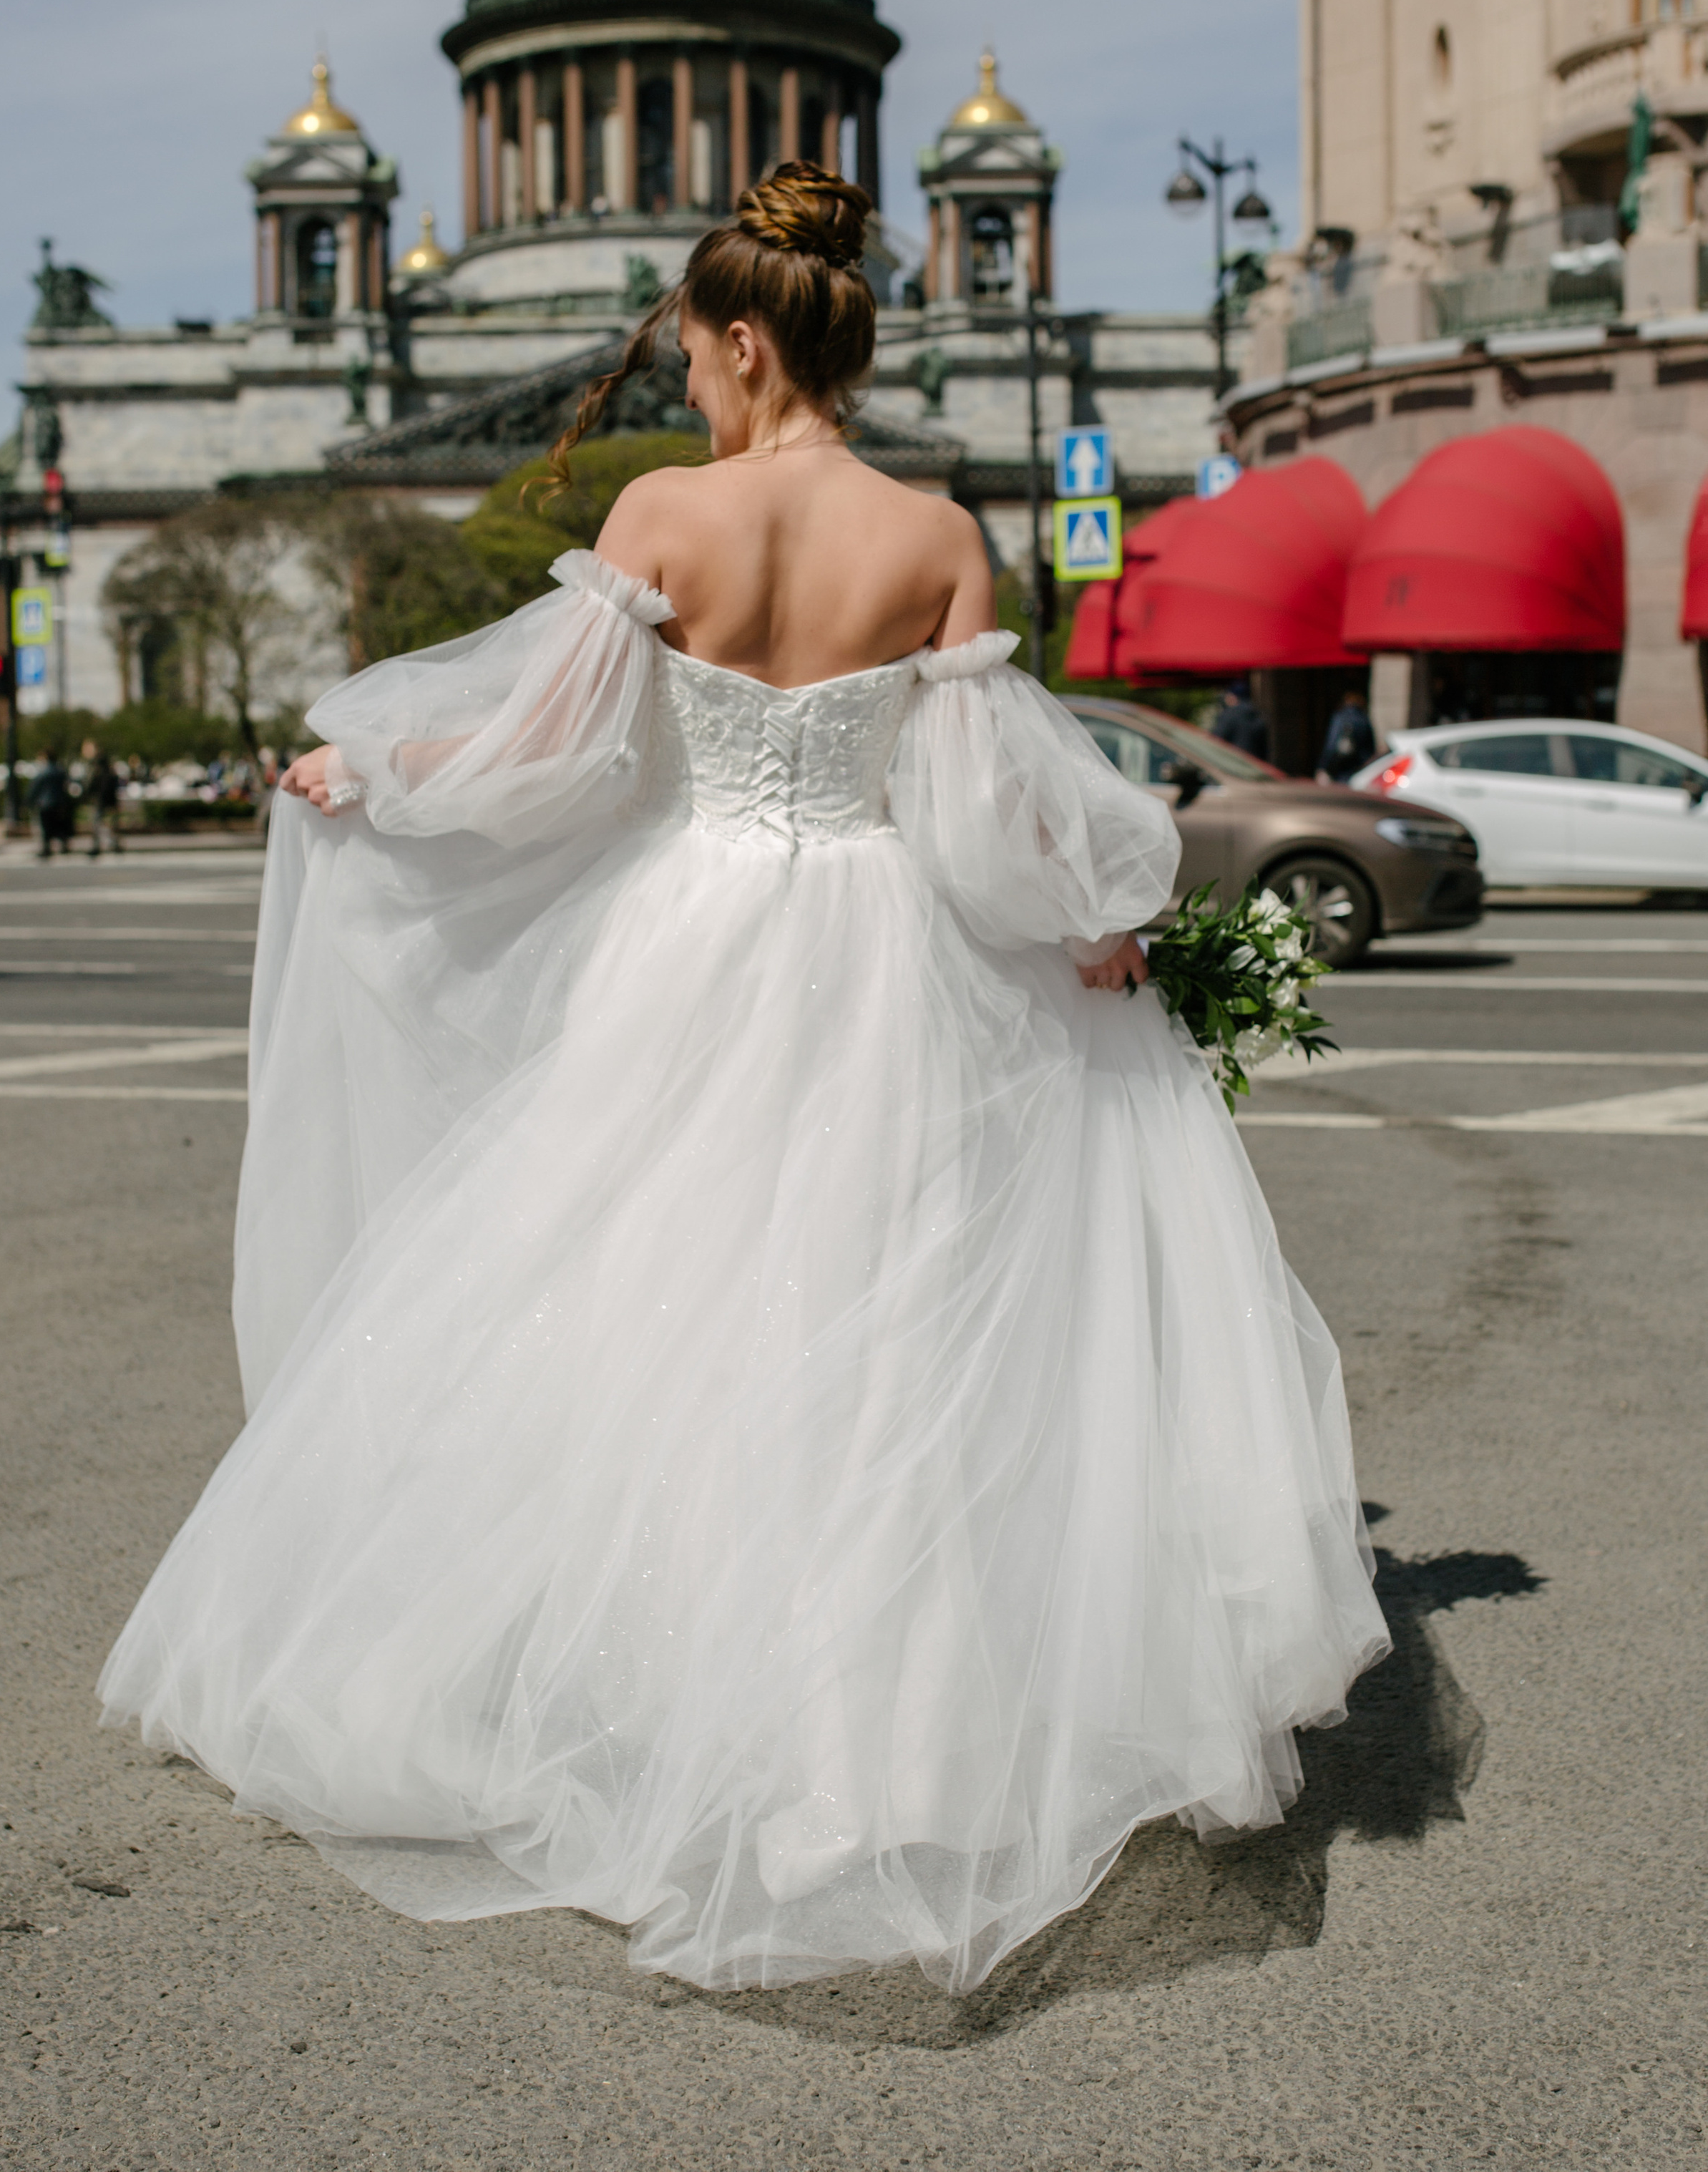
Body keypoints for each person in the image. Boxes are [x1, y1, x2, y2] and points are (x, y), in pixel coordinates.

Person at [100, 165, 1386, 1998]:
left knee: (637, 1305)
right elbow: (990, 804)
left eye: (690, 360)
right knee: (881, 1337)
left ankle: (634, 1694)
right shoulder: (938, 533)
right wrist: (1095, 929)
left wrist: (382, 774)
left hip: (694, 942)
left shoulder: (664, 513)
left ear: (740, 336)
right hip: (884, 959)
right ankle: (869, 1746)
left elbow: (552, 750)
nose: (681, 394)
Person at [1317, 687, 1378, 784]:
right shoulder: (1363, 719)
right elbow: (1370, 748)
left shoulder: (1340, 718)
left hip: (1340, 767)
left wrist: (1323, 767)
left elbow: (1331, 745)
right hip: (1358, 768)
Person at [79, 739, 122, 857]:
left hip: (101, 798)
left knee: (98, 823)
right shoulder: (104, 762)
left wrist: (86, 794)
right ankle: (110, 844)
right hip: (105, 797)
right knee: (102, 822)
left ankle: (100, 846)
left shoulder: (97, 763)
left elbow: (92, 782)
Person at [1211, 677, 1270, 761]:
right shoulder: (1257, 714)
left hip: (1234, 764)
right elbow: (1264, 746)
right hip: (1256, 764)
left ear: (1233, 697)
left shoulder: (1229, 715)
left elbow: (1216, 740)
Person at [27, 749, 71, 858]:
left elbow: (34, 789)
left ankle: (46, 848)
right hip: (59, 802)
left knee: (46, 827)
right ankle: (63, 846)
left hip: (45, 803)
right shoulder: (61, 771)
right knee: (59, 825)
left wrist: (29, 801)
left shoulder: (43, 773)